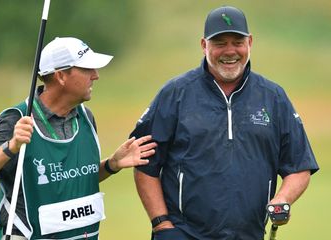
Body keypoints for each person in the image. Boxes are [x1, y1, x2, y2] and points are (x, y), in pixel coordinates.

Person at [130, 6, 319, 240]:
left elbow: (299, 165)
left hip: (249, 234)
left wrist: (283, 200)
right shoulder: (175, 93)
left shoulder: (273, 97)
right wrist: (161, 223)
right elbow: (144, 164)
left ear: (250, 42)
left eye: (237, 42)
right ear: (203, 45)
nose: (230, 51)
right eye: (219, 43)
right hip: (184, 234)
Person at [0, 37, 157, 240]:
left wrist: (112, 164)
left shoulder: (85, 117)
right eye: (87, 69)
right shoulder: (17, 119)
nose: (96, 76)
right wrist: (11, 146)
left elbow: (68, 180)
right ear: (61, 76)